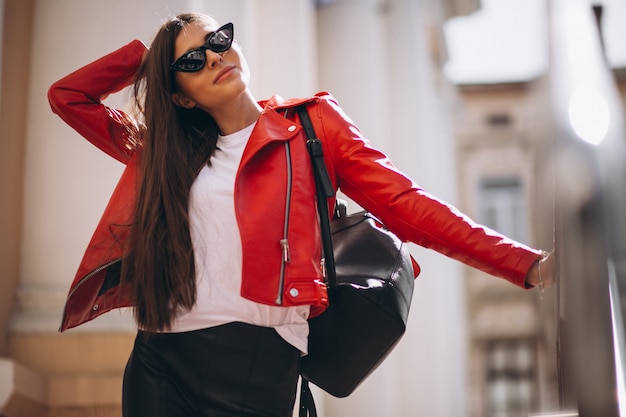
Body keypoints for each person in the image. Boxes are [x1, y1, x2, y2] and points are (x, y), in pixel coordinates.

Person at [48, 12, 555, 417]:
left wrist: (524, 264)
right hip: (159, 356)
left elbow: (408, 205)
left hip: (258, 360)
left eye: (219, 40)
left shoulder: (312, 126)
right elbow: (68, 97)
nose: (214, 58)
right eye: (193, 62)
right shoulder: (163, 152)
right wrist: (148, 57)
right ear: (180, 96)